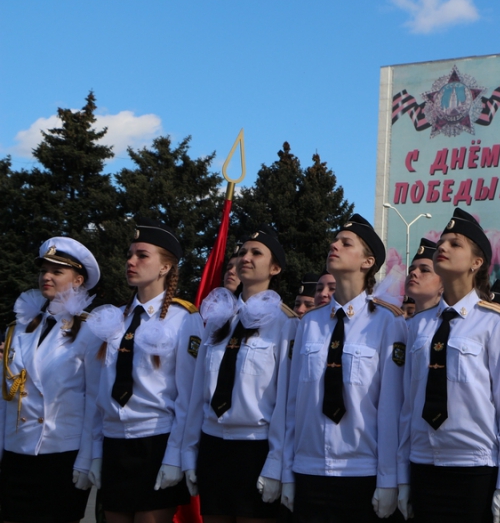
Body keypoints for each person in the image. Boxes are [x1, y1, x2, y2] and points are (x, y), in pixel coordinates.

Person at [398, 207, 500, 523]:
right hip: (423, 464)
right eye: (442, 242)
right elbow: (407, 405)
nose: (442, 247)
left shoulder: (495, 323)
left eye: (455, 243)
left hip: (474, 468)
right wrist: (401, 476)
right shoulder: (418, 324)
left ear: (476, 262)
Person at [282, 214, 407, 522]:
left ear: (367, 262)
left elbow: (391, 409)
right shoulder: (310, 322)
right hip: (308, 469)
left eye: (345, 243)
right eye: (335, 240)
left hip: (361, 472)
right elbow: (292, 403)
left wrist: (389, 478)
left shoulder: (387, 322)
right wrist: (284, 468)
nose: (333, 245)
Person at [87, 218, 203, 523]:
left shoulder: (183, 318)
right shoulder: (114, 319)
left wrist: (176, 455)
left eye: (142, 255)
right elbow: (99, 393)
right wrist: (95, 452)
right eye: (129, 255)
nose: (131, 261)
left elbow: (189, 397)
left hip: (156, 441)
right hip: (114, 443)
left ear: (165, 267)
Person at [183, 225, 297, 522]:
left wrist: (276, 463)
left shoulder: (285, 324)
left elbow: (286, 403)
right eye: (243, 251)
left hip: (255, 448)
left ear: (275, 268)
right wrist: (189, 450)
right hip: (213, 445)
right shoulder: (218, 319)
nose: (246, 257)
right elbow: (198, 393)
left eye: (256, 253)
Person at [0, 237, 101, 523]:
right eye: (44, 270)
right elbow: (6, 398)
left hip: (61, 453)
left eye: (57, 271)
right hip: (17, 450)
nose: (47, 276)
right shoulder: (19, 328)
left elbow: (95, 400)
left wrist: (88, 458)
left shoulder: (89, 329)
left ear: (78, 280)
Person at [404, 238, 443, 315]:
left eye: (424, 270)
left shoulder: (452, 321)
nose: (413, 272)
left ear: (444, 284)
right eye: (410, 270)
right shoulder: (400, 322)